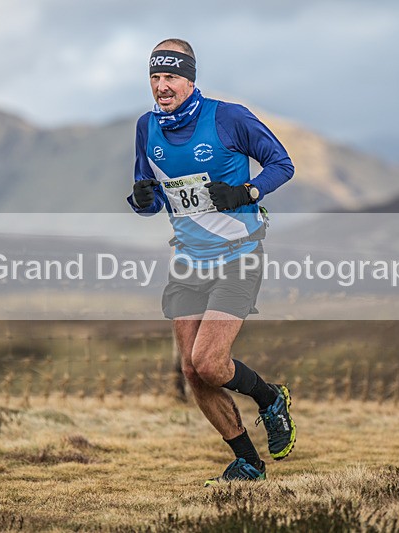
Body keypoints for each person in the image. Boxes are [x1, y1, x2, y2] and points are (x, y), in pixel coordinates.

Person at [128, 38, 296, 485]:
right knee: (192, 372)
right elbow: (147, 197)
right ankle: (248, 462)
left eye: (171, 77)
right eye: (155, 78)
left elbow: (282, 164)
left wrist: (246, 193)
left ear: (190, 78)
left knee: (209, 362)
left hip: (237, 255)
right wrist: (141, 199)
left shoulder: (228, 117)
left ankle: (270, 398)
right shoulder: (147, 127)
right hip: (187, 260)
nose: (162, 87)